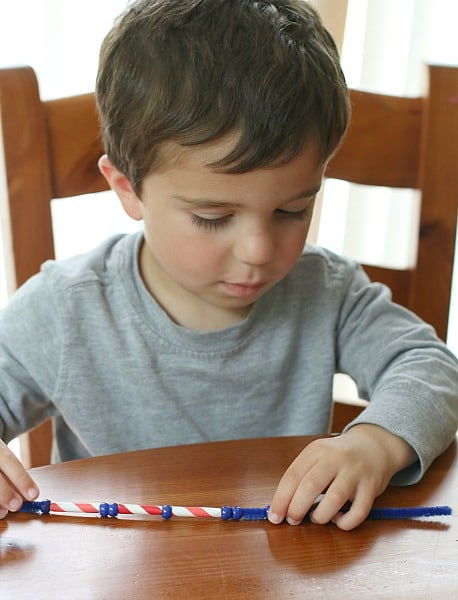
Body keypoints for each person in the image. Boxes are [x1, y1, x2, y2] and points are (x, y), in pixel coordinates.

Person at [0, 0, 457, 530]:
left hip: (286, 566)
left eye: (293, 210)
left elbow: (430, 368)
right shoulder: (65, 309)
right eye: (214, 217)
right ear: (127, 188)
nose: (259, 250)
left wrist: (377, 442)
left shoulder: (327, 292)